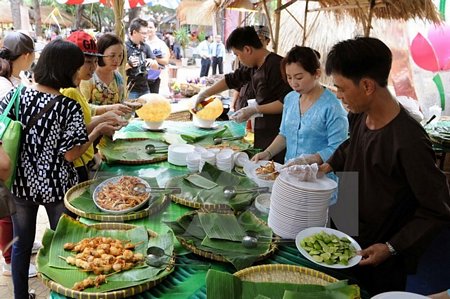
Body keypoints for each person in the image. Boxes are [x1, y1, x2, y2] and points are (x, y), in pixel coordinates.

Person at [320, 37, 450, 295]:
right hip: (345, 227)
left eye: (342, 88)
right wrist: (324, 165)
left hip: (377, 253)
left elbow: (437, 209)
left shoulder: (409, 140)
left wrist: (391, 247)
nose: (339, 95)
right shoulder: (359, 115)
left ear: (367, 85)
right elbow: (351, 147)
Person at [0, 39, 114, 299]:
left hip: (21, 185)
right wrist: (98, 130)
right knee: (65, 244)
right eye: (76, 68)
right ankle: (65, 292)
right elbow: (71, 153)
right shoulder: (68, 106)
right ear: (65, 69)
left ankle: (20, 296)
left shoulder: (17, 95)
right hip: (56, 186)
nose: (78, 73)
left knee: (21, 245)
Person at [251, 46, 348, 191]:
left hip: (319, 182)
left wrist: (309, 159)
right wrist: (267, 153)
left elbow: (338, 148)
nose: (293, 83)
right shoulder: (290, 99)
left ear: (316, 73)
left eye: (299, 77)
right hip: (290, 177)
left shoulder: (332, 107)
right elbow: (284, 134)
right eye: (289, 77)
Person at [195, 26, 291, 163]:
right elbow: (232, 80)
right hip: (262, 132)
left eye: (237, 54)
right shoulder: (253, 65)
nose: (238, 59)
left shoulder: (276, 66)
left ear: (247, 49)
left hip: (278, 136)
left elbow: (287, 103)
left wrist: (255, 109)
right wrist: (204, 94)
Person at [0, 31, 40, 279]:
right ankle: (8, 259)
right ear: (26, 55)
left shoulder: (16, 77)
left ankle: (19, 246)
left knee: (14, 207)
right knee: (6, 208)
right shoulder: (4, 85)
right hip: (5, 153)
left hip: (14, 152)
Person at [63, 30, 128, 182]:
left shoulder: (77, 86)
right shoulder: (71, 90)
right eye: (87, 62)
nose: (92, 67)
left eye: (94, 61)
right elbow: (72, 148)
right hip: (79, 161)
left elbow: (86, 109)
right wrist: (101, 123)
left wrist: (111, 109)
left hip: (89, 153)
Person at [231, 25, 270, 113]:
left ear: (268, 41)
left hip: (259, 111)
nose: (256, 44)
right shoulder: (244, 59)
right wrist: (233, 104)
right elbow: (237, 82)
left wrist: (255, 109)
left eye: (260, 40)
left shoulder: (272, 65)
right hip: (242, 104)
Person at [125, 18, 158, 99]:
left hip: (145, 88)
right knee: (130, 112)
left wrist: (152, 62)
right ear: (134, 32)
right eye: (143, 33)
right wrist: (129, 64)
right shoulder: (124, 47)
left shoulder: (146, 47)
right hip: (130, 90)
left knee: (147, 111)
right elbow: (117, 69)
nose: (146, 36)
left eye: (146, 33)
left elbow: (156, 67)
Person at [145, 20, 170, 93]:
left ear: (155, 28)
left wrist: (152, 57)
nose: (148, 29)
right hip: (144, 77)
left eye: (151, 27)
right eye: (147, 27)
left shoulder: (161, 44)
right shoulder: (143, 42)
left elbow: (166, 61)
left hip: (157, 77)